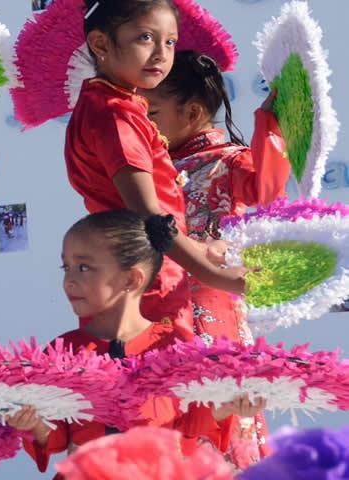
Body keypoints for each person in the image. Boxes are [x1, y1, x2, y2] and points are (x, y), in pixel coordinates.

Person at [6, 210, 265, 478]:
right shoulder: (62, 351)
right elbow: (58, 437)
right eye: (66, 267)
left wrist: (228, 407)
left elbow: (190, 428)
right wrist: (33, 423)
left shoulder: (177, 346)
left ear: (131, 279)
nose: (69, 280)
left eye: (83, 267)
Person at [141, 50, 289, 468]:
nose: (144, 125)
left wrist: (268, 123)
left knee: (220, 435)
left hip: (211, 320)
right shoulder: (149, 170)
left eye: (152, 113)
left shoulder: (229, 161)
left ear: (191, 111)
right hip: (157, 320)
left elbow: (267, 188)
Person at [64, 0, 246, 336]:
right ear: (101, 43)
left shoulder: (105, 105)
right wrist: (218, 277)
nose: (161, 53)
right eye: (146, 38)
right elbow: (150, 218)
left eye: (170, 42)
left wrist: (203, 250)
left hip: (132, 278)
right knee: (163, 384)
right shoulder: (116, 113)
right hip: (146, 281)